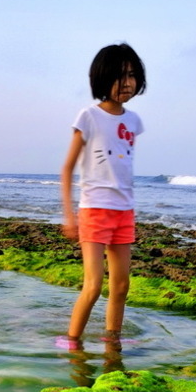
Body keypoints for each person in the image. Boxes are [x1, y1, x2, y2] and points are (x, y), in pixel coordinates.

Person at [59, 42, 146, 348]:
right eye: (119, 76)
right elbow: (68, 168)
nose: (127, 83)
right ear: (101, 78)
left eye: (132, 75)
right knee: (94, 285)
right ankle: (72, 342)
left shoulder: (133, 121)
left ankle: (112, 341)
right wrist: (69, 215)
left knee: (121, 286)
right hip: (94, 210)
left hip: (124, 211)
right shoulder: (89, 117)